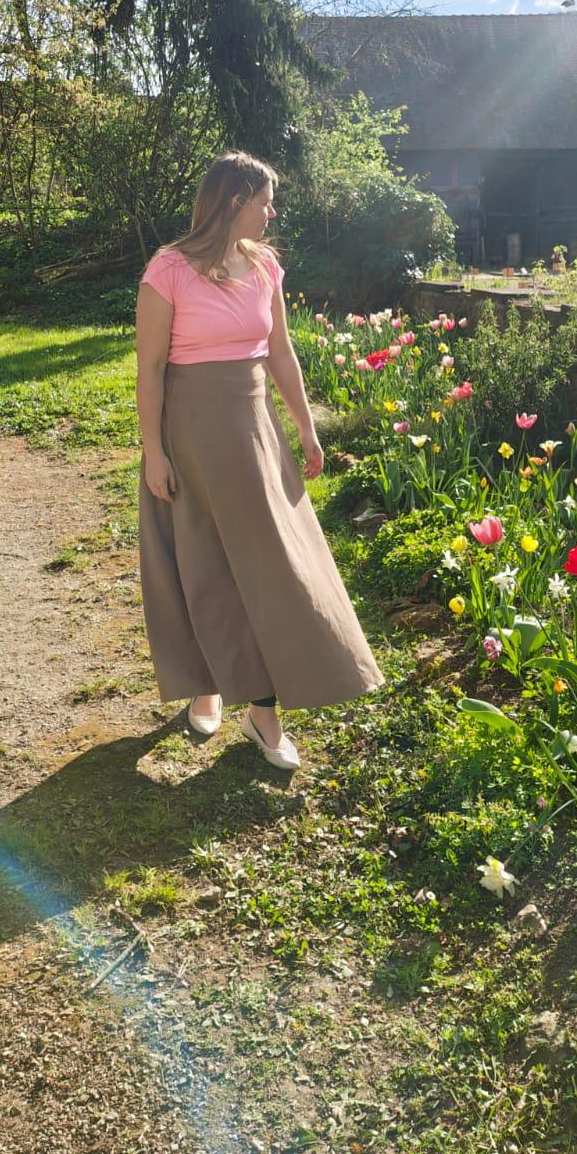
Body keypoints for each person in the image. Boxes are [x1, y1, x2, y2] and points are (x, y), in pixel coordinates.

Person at [135, 151, 384, 772]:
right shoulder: (167, 270)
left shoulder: (266, 267)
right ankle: (207, 684)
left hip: (254, 431)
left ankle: (262, 712)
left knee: (268, 566)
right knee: (201, 563)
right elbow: (151, 369)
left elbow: (280, 353)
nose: (271, 213)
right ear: (233, 202)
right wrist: (154, 452)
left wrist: (306, 427)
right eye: (265, 202)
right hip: (190, 435)